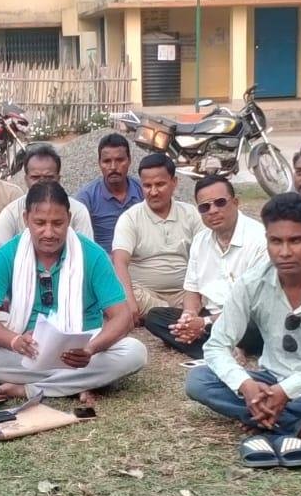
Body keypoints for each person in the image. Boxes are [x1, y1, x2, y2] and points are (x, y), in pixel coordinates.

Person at [186, 194, 301, 449]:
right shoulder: (251, 282)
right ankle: (297, 424)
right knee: (199, 380)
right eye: (276, 241)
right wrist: (246, 386)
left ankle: (263, 416)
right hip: (270, 379)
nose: (284, 252)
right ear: (267, 240)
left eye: (295, 241)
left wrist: (287, 391)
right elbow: (217, 346)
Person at [0, 182, 147, 408]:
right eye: (40, 223)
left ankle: (30, 388)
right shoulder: (7, 255)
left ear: (69, 219)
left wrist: (90, 349)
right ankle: (78, 383)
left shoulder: (93, 254)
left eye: (57, 223)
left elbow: (122, 316)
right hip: (27, 351)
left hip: (81, 354)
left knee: (134, 352)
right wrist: (14, 341)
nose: (49, 233)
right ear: (26, 219)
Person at [151, 174, 265, 359]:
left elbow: (254, 305)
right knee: (155, 318)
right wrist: (188, 318)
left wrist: (204, 323)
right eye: (205, 207)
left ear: (235, 202)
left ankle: (217, 346)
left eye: (220, 203)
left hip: (247, 318)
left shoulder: (259, 239)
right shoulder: (200, 241)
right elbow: (192, 291)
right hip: (212, 317)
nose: (212, 211)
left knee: (257, 322)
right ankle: (225, 348)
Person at [113, 153, 202, 336]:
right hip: (145, 296)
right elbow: (119, 261)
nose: (153, 192)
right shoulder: (130, 218)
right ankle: (183, 318)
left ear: (174, 182)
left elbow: (207, 255)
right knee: (121, 292)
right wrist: (129, 300)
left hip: (186, 293)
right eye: (147, 186)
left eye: (160, 184)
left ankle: (174, 316)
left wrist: (196, 295)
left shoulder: (191, 214)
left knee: (217, 290)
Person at [0, 144, 95, 247]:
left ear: (58, 179)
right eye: (35, 177)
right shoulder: (11, 213)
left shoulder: (78, 211)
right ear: (26, 179)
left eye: (48, 177)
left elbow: (88, 251)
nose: (42, 182)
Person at [74, 132, 144, 252]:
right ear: (99, 163)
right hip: (103, 259)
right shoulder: (87, 197)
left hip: (140, 258)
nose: (113, 167)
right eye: (107, 161)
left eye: (120, 160)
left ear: (129, 160)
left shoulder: (143, 190)